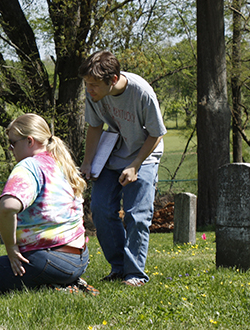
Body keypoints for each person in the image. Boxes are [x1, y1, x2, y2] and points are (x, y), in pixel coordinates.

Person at [0, 113, 89, 298]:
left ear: (30, 141)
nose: (11, 149)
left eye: (13, 143)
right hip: (79, 259)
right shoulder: (60, 162)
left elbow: (7, 207)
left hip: (48, 260)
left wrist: (11, 248)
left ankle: (54, 283)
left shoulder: (29, 166)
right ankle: (58, 285)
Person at [78, 51, 167, 287]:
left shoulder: (141, 92)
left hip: (144, 155)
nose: (90, 90)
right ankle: (119, 268)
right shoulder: (94, 94)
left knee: (136, 214)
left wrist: (135, 165)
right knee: (100, 207)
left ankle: (135, 274)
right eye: (87, 84)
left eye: (94, 85)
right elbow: (95, 127)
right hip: (114, 152)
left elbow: (156, 133)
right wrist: (87, 162)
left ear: (114, 79)